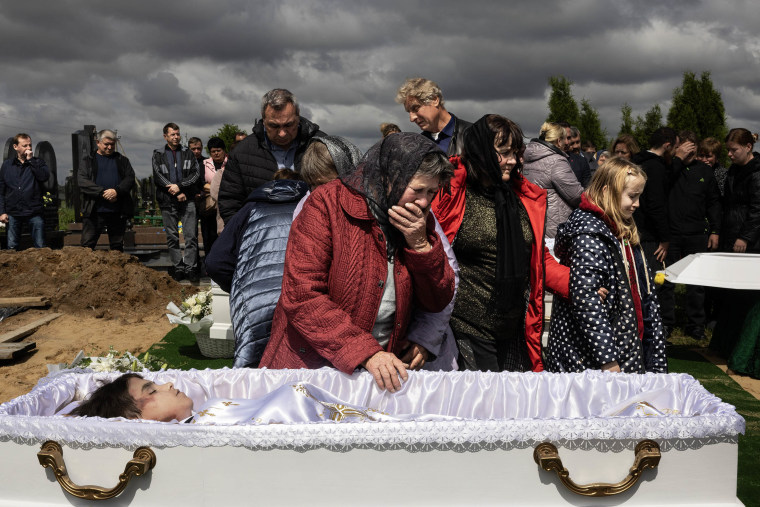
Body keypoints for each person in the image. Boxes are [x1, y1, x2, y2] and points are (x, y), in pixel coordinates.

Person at [260, 133, 456, 391]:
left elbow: (437, 299)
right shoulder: (326, 204)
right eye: (417, 189)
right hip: (311, 369)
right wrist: (365, 351)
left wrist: (420, 245)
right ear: (389, 177)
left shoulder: (419, 220)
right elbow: (302, 294)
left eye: (431, 192)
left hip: (377, 374)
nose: (424, 201)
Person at [432, 115, 571, 372]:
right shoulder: (449, 194)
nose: (514, 161)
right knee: (484, 406)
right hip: (467, 326)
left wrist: (576, 284)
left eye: (516, 153)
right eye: (504, 153)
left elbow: (537, 258)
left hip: (515, 330)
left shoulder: (521, 197)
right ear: (482, 150)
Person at [546, 157, 667, 374]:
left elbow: (644, 293)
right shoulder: (589, 234)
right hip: (590, 360)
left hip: (624, 343)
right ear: (606, 192)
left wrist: (654, 356)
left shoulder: (623, 229)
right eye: (632, 196)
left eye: (639, 196)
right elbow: (587, 302)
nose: (637, 204)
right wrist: (608, 360)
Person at [205, 169, 309, 368]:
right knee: (303, 370)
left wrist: (240, 285)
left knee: (254, 371)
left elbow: (216, 262)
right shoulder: (312, 206)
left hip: (255, 301)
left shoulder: (249, 209)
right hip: (301, 297)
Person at [217, 89, 326, 223]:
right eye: (274, 126)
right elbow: (230, 203)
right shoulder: (242, 152)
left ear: (298, 116)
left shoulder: (321, 145)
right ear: (263, 120)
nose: (282, 133)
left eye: (289, 124)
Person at [658, 131, 721, 341]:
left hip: (696, 234)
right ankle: (666, 323)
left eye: (692, 145)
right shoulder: (669, 168)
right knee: (666, 281)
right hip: (671, 234)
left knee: (697, 284)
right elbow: (661, 187)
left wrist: (715, 230)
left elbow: (713, 202)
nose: (689, 150)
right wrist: (677, 160)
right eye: (684, 146)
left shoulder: (705, 171)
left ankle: (695, 325)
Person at [152, 122, 202, 282]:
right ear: (165, 136)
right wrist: (175, 192)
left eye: (178, 134)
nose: (176, 137)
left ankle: (191, 268)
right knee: (172, 236)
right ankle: (178, 268)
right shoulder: (158, 154)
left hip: (187, 200)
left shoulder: (188, 153)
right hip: (167, 201)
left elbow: (195, 175)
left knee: (191, 236)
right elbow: (158, 176)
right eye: (172, 134)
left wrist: (180, 188)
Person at [522, 122, 583, 240]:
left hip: (533, 225)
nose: (567, 142)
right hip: (555, 230)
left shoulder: (527, 157)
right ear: (559, 141)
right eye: (565, 139)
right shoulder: (557, 161)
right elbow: (576, 196)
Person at [77, 129, 135, 251]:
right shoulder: (88, 161)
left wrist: (116, 191)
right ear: (98, 142)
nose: (109, 147)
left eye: (112, 144)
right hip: (94, 210)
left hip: (117, 210)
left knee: (117, 246)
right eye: (106, 144)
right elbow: (83, 181)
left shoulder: (122, 160)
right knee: (87, 245)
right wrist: (102, 192)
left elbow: (130, 178)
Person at [395, 77, 471, 156]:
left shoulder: (472, 135)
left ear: (434, 100)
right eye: (409, 112)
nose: (412, 118)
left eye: (416, 108)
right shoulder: (417, 146)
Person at [0, 133, 50, 250]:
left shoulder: (38, 162)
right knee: (12, 247)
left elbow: (44, 177)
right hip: (13, 212)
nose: (28, 148)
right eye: (25, 145)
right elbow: (1, 190)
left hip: (33, 211)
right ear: (15, 147)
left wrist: (31, 160)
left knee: (40, 246)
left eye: (30, 145)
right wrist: (2, 212)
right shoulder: (7, 165)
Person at [199, 137, 227, 258]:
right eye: (213, 151)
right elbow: (200, 182)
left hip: (226, 204)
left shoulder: (231, 162)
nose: (216, 153)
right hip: (209, 207)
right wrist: (214, 188)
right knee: (209, 235)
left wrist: (213, 186)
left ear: (224, 150)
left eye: (218, 150)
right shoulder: (204, 164)